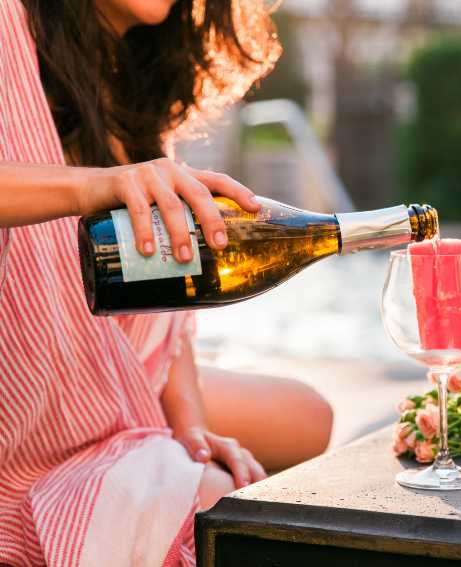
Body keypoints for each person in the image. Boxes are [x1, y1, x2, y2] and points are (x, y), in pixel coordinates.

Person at [0, 0, 333, 564]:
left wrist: (190, 428)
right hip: (35, 386)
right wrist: (89, 186)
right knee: (215, 499)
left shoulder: (137, 83)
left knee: (310, 419)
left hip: (123, 367)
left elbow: (170, 303)